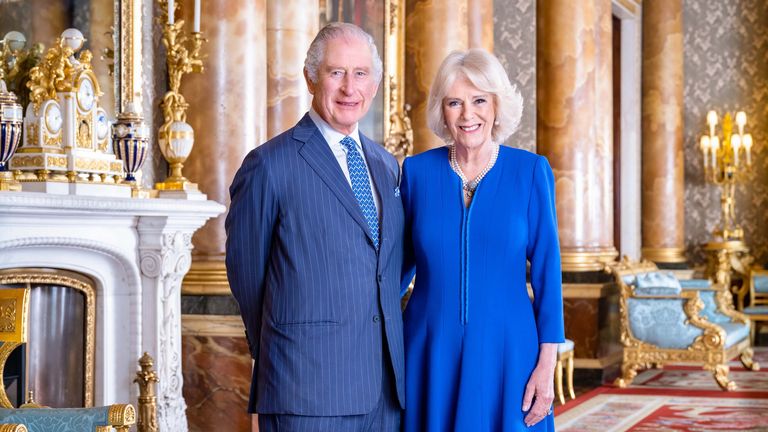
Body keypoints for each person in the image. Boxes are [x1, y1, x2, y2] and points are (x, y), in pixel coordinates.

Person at [225, 22, 405, 432]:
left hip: (384, 391)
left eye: (360, 74)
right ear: (311, 77)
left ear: (374, 85)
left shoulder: (384, 165)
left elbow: (386, 267)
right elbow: (247, 276)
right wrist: (281, 351)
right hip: (305, 389)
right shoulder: (269, 165)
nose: (349, 88)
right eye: (336, 72)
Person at [400, 49, 565, 431]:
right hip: (429, 350)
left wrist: (547, 363)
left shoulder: (530, 171)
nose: (467, 114)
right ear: (442, 111)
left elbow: (547, 274)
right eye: (454, 102)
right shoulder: (416, 173)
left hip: (509, 351)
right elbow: (394, 270)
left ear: (496, 105)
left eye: (478, 101)